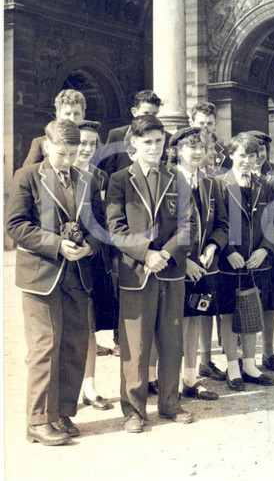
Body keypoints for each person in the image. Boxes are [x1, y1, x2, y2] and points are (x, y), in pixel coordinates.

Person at [6, 119, 104, 445]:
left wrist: (90, 244)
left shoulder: (86, 180)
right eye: (61, 153)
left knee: (73, 344)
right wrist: (56, 244)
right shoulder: (28, 177)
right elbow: (16, 226)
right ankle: (37, 420)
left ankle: (61, 414)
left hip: (77, 275)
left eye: (73, 153)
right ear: (47, 146)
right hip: (42, 276)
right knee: (45, 347)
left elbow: (98, 226)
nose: (67, 160)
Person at [106, 114, 197, 433]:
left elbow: (189, 226)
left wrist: (166, 254)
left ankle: (170, 403)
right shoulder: (119, 180)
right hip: (136, 272)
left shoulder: (178, 178)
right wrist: (146, 253)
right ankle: (133, 409)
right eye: (147, 142)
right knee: (135, 345)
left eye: (159, 141)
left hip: (171, 272)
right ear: (133, 143)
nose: (154, 147)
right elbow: (115, 228)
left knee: (172, 341)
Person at [99, 88, 169, 362]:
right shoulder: (117, 135)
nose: (150, 117)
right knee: (125, 287)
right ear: (134, 112)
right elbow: (104, 170)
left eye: (155, 114)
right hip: (127, 211)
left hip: (156, 214)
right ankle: (120, 338)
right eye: (146, 113)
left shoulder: (163, 140)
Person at [169, 126, 229, 401]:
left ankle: (191, 379)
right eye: (190, 147)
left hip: (203, 266)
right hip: (173, 266)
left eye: (201, 147)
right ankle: (162, 381)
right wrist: (185, 261)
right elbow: (161, 230)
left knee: (194, 320)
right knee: (171, 324)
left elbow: (223, 225)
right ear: (177, 151)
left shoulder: (211, 183)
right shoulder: (167, 182)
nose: (197, 152)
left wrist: (213, 246)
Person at [217, 133, 274, 391]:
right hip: (230, 261)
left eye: (252, 156)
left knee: (252, 311)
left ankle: (250, 366)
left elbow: (271, 222)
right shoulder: (218, 183)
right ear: (231, 155)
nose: (247, 160)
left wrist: (265, 249)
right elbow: (214, 223)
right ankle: (233, 367)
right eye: (241, 155)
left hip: (256, 260)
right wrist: (228, 251)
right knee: (229, 315)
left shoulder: (265, 183)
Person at [73, 119, 116, 410]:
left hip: (91, 258)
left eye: (92, 144)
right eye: (82, 143)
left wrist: (91, 245)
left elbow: (104, 222)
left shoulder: (100, 177)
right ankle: (67, 390)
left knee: (88, 325)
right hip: (60, 259)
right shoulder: (52, 173)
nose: (87, 149)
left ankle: (89, 386)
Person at [248, 130, 274, 371]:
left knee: (269, 303)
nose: (259, 155)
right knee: (244, 302)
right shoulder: (235, 175)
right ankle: (247, 358)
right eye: (255, 151)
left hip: (271, 246)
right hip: (245, 247)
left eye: (262, 150)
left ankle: (268, 352)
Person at [23, 89, 86, 166]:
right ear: (58, 115)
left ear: (83, 115)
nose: (72, 119)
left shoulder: (92, 144)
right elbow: (27, 172)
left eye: (76, 114)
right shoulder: (41, 142)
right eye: (67, 114)